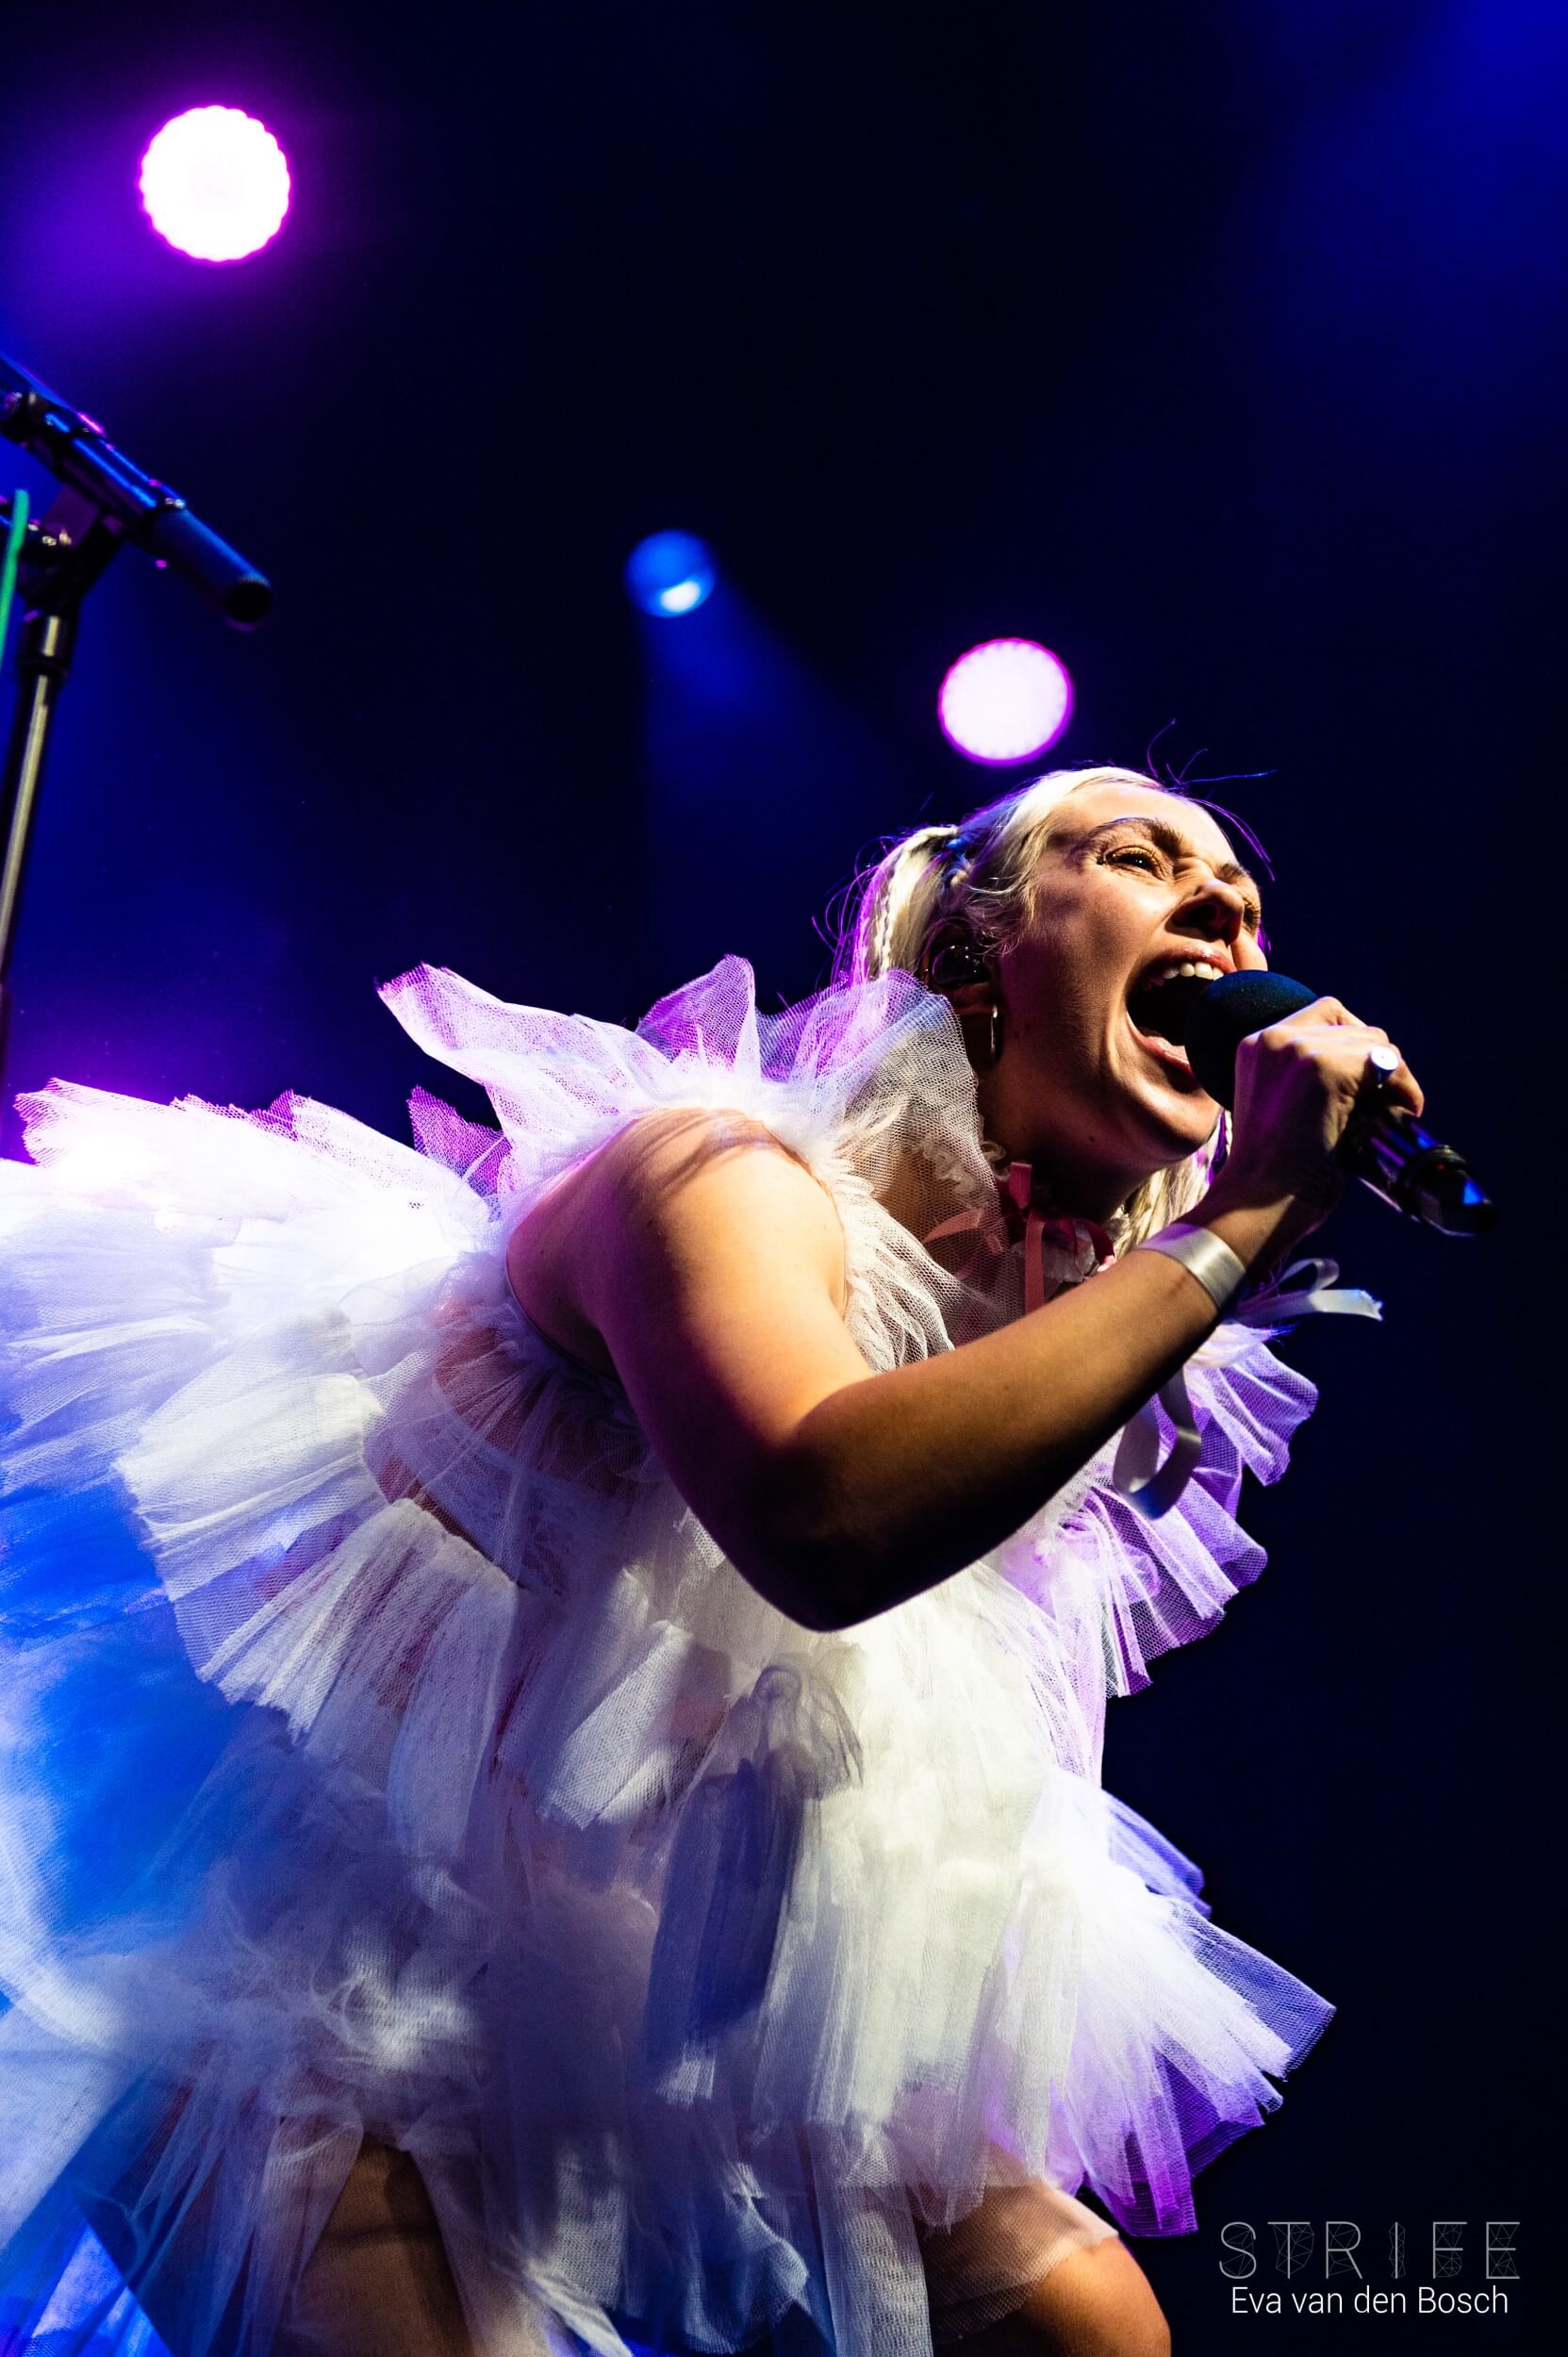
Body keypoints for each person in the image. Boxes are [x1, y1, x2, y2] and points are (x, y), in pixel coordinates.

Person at [0, 763, 1420, 2357]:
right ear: (970, 956)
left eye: (1240, 898)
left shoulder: (1069, 1325)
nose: (1221, 910)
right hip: (316, 1940)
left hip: (655, 1949)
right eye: (1144, 859)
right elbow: (820, 1516)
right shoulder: (718, 1177)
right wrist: (1237, 1220)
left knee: (1091, 2326)